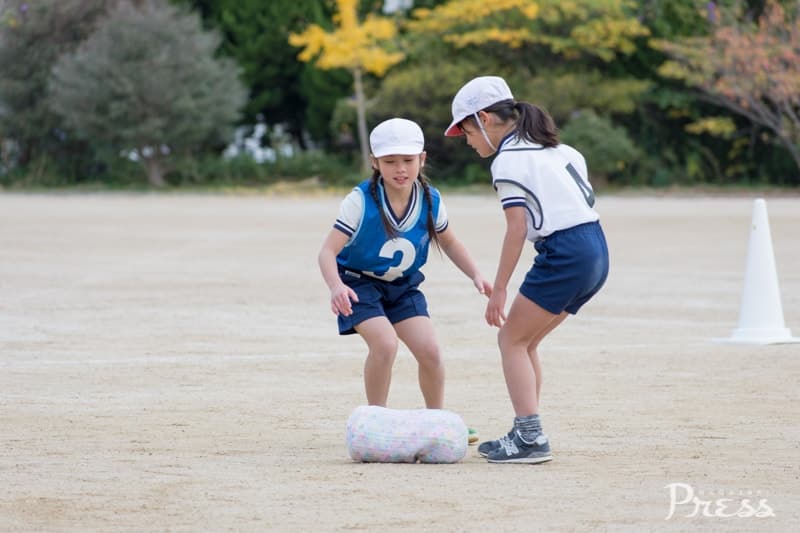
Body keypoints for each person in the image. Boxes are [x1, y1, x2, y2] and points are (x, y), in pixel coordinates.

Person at [444, 76, 609, 464]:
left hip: (564, 252)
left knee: (511, 341)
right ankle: (527, 432)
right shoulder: (561, 150)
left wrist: (500, 288)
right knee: (526, 342)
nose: (468, 141)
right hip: (597, 249)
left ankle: (530, 438)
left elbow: (516, 228)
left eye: (467, 132)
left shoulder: (507, 161)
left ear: (485, 119)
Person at [318, 117, 492, 432]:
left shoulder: (431, 199)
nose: (400, 169)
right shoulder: (360, 201)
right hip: (359, 284)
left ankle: (437, 421)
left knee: (431, 351)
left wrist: (476, 274)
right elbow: (327, 252)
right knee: (385, 344)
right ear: (374, 162)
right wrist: (336, 286)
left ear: (422, 159)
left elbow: (450, 242)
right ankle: (374, 422)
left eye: (408, 160)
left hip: (404, 286)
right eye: (390, 161)